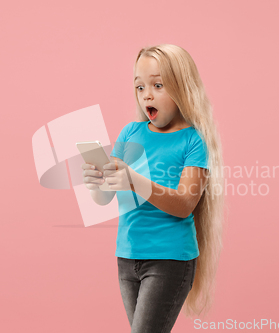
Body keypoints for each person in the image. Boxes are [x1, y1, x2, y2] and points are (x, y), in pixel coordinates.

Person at [81, 44, 226, 332]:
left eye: (158, 85)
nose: (147, 94)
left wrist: (134, 180)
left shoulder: (193, 141)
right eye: (140, 87)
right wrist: (96, 183)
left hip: (169, 260)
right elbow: (106, 195)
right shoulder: (130, 133)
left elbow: (185, 203)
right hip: (127, 258)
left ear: (181, 87)